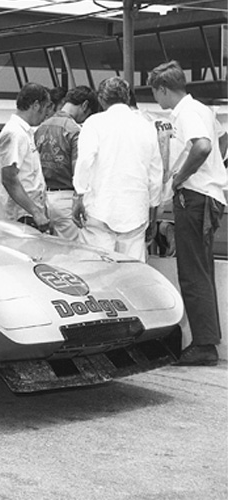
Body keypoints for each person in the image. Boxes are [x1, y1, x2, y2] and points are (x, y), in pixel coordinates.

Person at [148, 60, 228, 366]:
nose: (158, 100)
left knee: (192, 274)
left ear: (164, 89)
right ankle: (207, 339)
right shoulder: (203, 109)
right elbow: (219, 140)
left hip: (194, 197)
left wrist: (181, 177)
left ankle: (204, 344)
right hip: (208, 195)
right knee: (201, 271)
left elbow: (203, 147)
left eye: (156, 94)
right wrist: (213, 171)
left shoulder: (185, 113)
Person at [72, 76, 163, 263]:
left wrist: (79, 194)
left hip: (100, 207)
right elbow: (155, 174)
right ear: (127, 98)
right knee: (132, 272)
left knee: (97, 270)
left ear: (101, 99)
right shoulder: (147, 127)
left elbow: (85, 161)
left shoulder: (94, 123)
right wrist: (153, 212)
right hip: (135, 211)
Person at [34, 86, 98, 241]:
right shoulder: (75, 130)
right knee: (73, 253)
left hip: (44, 198)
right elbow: (79, 169)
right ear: (84, 106)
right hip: (67, 198)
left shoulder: (41, 127)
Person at [0, 82, 53, 232]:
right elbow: (9, 178)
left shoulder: (24, 132)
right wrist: (36, 212)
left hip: (27, 214)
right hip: (20, 217)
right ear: (36, 105)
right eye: (46, 108)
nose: (46, 115)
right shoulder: (15, 133)